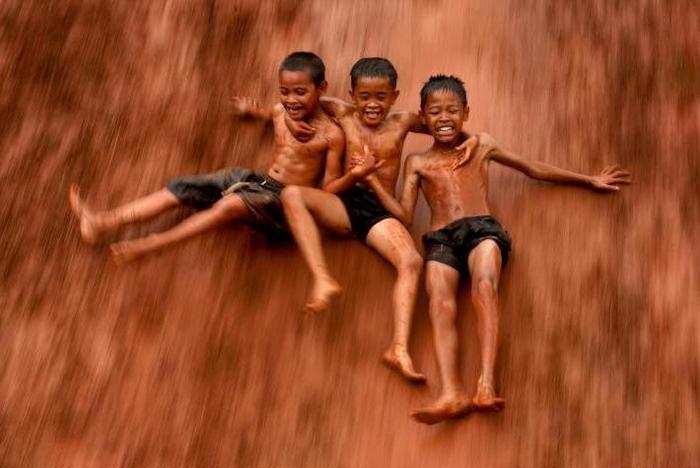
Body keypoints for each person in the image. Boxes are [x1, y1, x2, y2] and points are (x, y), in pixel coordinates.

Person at [401, 75, 631, 424]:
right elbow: (404, 214)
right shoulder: (416, 162)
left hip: (481, 230)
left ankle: (485, 383)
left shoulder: (483, 145)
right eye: (434, 112)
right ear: (423, 116)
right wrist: (368, 179)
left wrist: (588, 179)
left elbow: (532, 167)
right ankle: (450, 393)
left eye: (452, 111)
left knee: (484, 285)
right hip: (441, 238)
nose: (443, 118)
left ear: (466, 113)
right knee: (438, 299)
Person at [280, 58, 477, 384]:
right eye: (365, 97)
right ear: (352, 95)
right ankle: (322, 279)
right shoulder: (341, 112)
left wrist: (470, 137)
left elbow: (443, 122)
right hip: (342, 202)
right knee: (291, 195)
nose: (372, 105)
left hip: (379, 212)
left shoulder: (402, 122)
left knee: (412, 261)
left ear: (394, 96)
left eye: (381, 97)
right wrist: (287, 122)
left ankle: (398, 348)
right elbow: (296, 102)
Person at [68, 52, 344, 265]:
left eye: (300, 92)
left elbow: (329, 187)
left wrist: (352, 176)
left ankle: (155, 244)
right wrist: (251, 110)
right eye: (285, 91)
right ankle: (104, 221)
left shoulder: (331, 135)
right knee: (183, 187)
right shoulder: (280, 112)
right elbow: (268, 112)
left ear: (321, 88)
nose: (291, 99)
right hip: (259, 182)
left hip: (283, 204)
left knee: (229, 206)